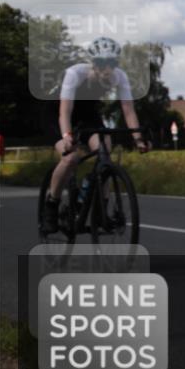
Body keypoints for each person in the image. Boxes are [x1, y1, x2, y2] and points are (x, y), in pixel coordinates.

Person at [41, 37, 150, 233]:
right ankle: (51, 205)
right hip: (58, 112)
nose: (107, 68)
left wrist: (138, 140)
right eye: (101, 63)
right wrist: (67, 136)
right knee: (70, 158)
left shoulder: (120, 76)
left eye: (112, 63)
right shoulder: (75, 73)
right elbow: (65, 111)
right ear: (92, 63)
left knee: (104, 153)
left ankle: (98, 207)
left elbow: (128, 111)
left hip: (88, 114)